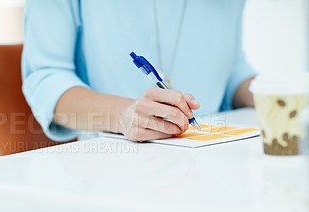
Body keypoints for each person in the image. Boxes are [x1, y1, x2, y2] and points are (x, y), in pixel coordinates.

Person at [22, 0, 256, 142]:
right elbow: (46, 77)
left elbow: (230, 68)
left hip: (212, 160)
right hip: (113, 171)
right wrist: (123, 114)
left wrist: (272, 95)